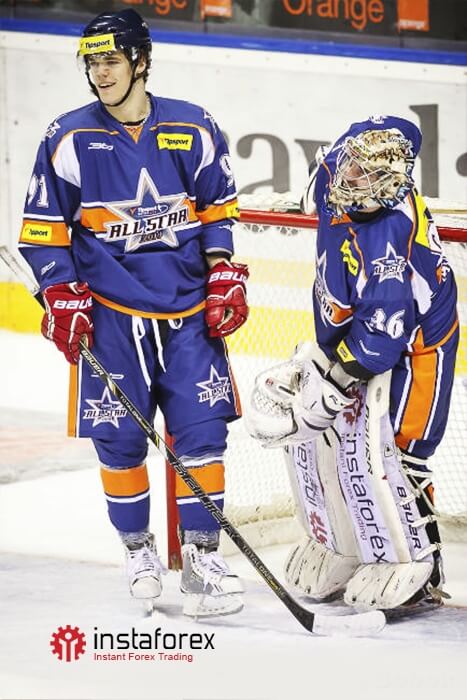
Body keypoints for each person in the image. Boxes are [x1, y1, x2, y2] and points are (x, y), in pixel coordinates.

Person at [18, 8, 249, 617]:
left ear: (141, 61)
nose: (100, 73)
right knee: (119, 438)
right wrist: (60, 293)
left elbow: (217, 210)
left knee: (203, 431)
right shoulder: (68, 137)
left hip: (189, 312)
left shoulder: (194, 126)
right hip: (111, 317)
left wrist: (223, 271)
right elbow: (43, 230)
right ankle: (139, 551)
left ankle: (202, 559)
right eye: (92, 62)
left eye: (111, 60)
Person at [246, 115, 459, 612]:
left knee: (399, 453)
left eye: (363, 173)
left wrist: (333, 378)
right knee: (333, 444)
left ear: (385, 186)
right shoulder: (343, 172)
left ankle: (419, 568)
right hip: (361, 329)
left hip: (418, 347)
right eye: (350, 165)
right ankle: (347, 548)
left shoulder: (387, 241)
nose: (348, 176)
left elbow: (382, 339)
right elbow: (387, 130)